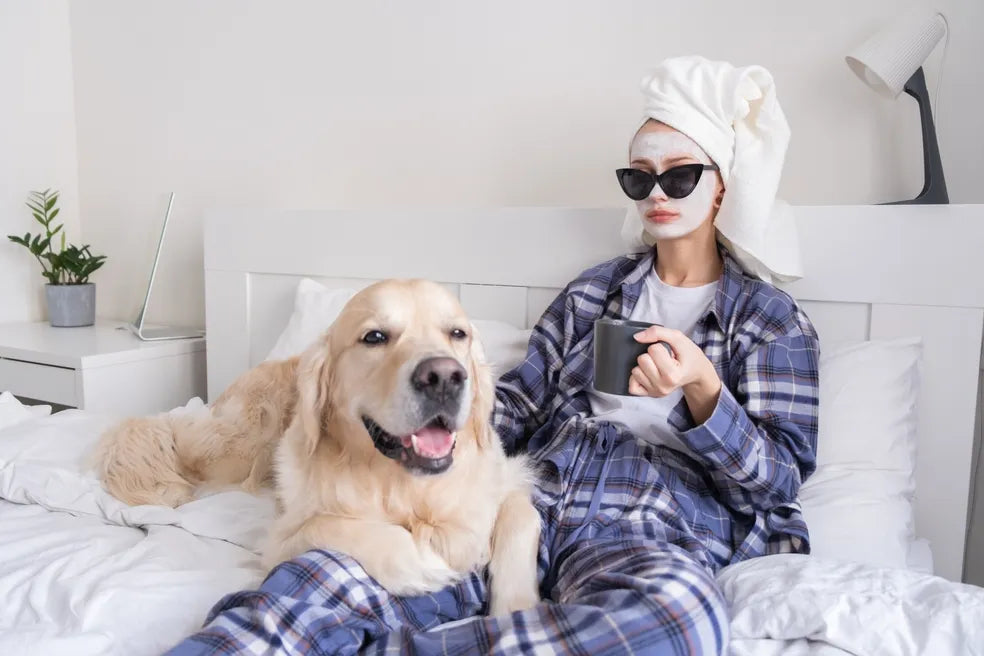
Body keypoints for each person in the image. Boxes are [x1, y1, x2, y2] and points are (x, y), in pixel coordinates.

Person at [164, 55, 820, 656]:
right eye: (638, 176)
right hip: (527, 505)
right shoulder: (594, 293)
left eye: (679, 176)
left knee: (681, 619)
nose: (656, 193)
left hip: (644, 521)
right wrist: (417, 394)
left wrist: (704, 391)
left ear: (722, 186)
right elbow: (512, 408)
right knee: (316, 577)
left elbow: (777, 481)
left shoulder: (769, 320)